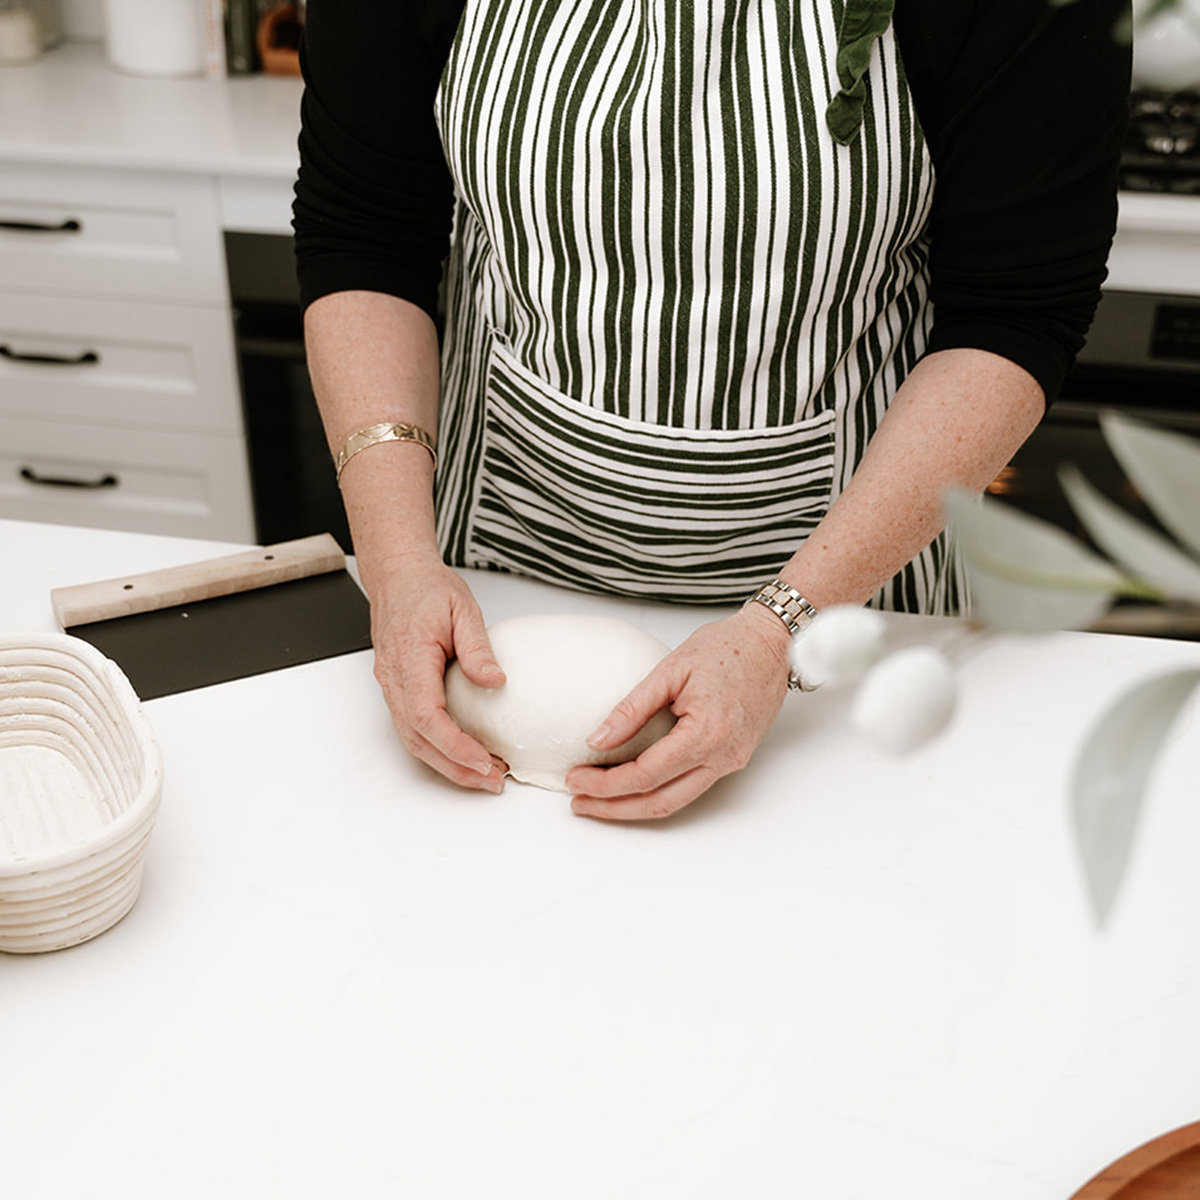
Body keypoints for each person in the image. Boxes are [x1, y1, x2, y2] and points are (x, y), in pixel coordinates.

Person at [292, 0, 1131, 820]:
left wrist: (779, 634)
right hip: (497, 567)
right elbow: (367, 233)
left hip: (853, 604)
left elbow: (1016, 312)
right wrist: (399, 570)